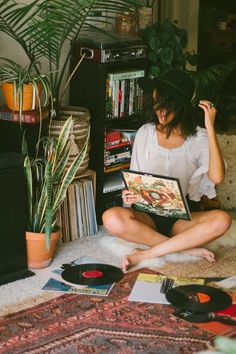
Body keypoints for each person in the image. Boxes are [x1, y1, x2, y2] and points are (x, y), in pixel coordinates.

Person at [102, 69, 232, 271]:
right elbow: (135, 178)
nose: (159, 112)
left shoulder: (200, 137)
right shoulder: (146, 132)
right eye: (156, 105)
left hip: (181, 218)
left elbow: (216, 177)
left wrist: (211, 128)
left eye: (166, 107)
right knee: (110, 217)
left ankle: (147, 254)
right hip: (147, 214)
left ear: (180, 106)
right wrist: (129, 196)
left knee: (222, 220)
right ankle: (185, 249)